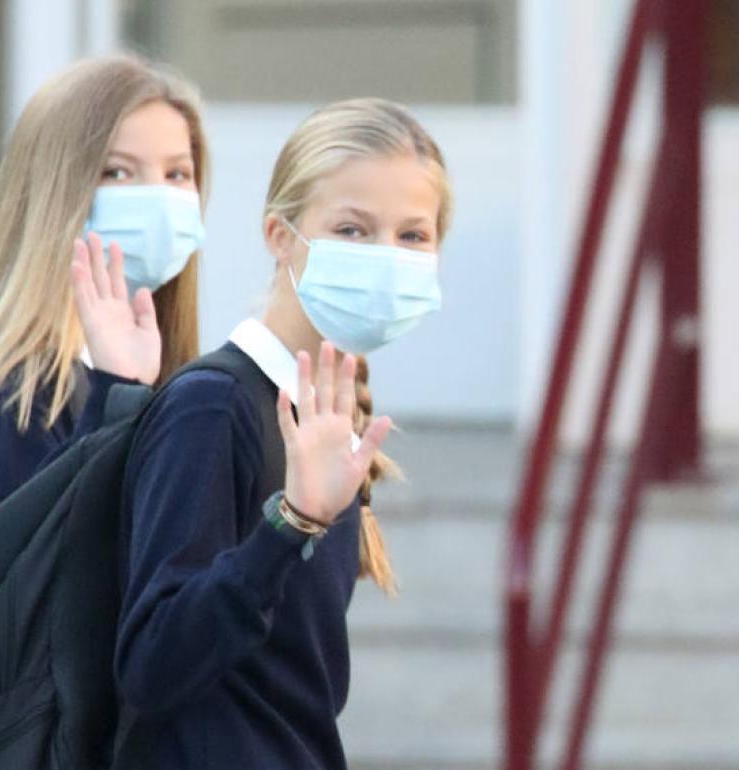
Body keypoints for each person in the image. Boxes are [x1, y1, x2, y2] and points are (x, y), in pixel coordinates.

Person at [106, 98, 450, 769]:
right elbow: (152, 661)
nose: (387, 256)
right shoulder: (212, 408)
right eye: (353, 229)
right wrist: (289, 525)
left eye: (413, 236)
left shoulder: (325, 413)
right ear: (280, 235)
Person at [0, 55, 210, 620]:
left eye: (177, 173)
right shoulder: (19, 386)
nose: (157, 197)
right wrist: (116, 394)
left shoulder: (157, 370)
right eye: (117, 172)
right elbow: (41, 597)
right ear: (57, 194)